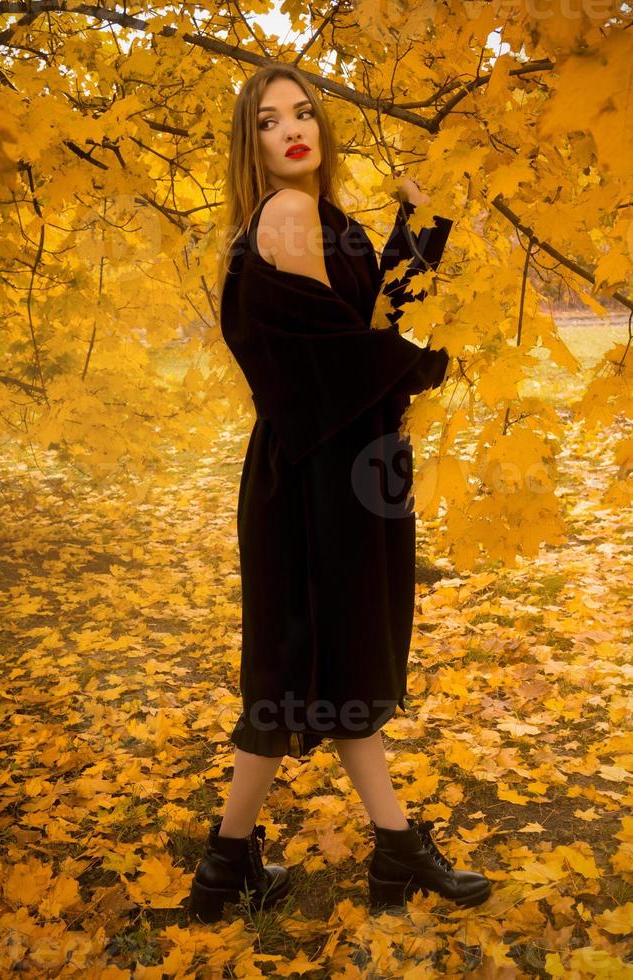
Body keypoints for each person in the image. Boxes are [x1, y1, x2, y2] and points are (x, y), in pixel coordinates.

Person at [188, 65, 491, 924]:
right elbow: (334, 363)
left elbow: (369, 321)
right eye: (269, 121)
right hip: (322, 473)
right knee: (314, 664)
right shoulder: (285, 215)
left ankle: (257, 865)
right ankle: (333, 857)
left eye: (305, 112)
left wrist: (420, 224)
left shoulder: (323, 221)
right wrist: (425, 365)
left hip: (331, 466)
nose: (293, 128)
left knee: (314, 666)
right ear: (250, 145)